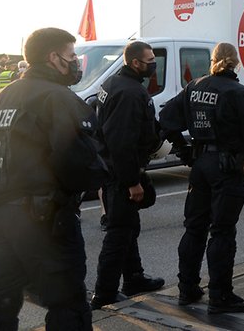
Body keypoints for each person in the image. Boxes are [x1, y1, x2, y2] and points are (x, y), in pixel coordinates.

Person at [0, 27, 107, 330]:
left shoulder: (0, 96)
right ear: (53, 57)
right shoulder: (56, 97)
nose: (76, 63)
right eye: (71, 56)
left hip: (1, 215)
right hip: (46, 221)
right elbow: (80, 164)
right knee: (68, 304)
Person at [160, 43, 244, 313]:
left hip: (200, 165)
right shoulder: (240, 93)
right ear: (236, 63)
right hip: (226, 167)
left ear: (213, 61)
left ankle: (187, 289)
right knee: (222, 232)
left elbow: (166, 117)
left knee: (194, 228)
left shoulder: (194, 87)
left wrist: (183, 148)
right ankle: (220, 296)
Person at [91, 41, 165, 309]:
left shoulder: (113, 83)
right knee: (119, 231)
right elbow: (122, 141)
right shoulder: (130, 93)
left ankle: (134, 277)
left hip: (113, 169)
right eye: (150, 60)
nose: (153, 64)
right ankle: (104, 292)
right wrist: (132, 181)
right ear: (135, 62)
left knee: (128, 228)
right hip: (121, 173)